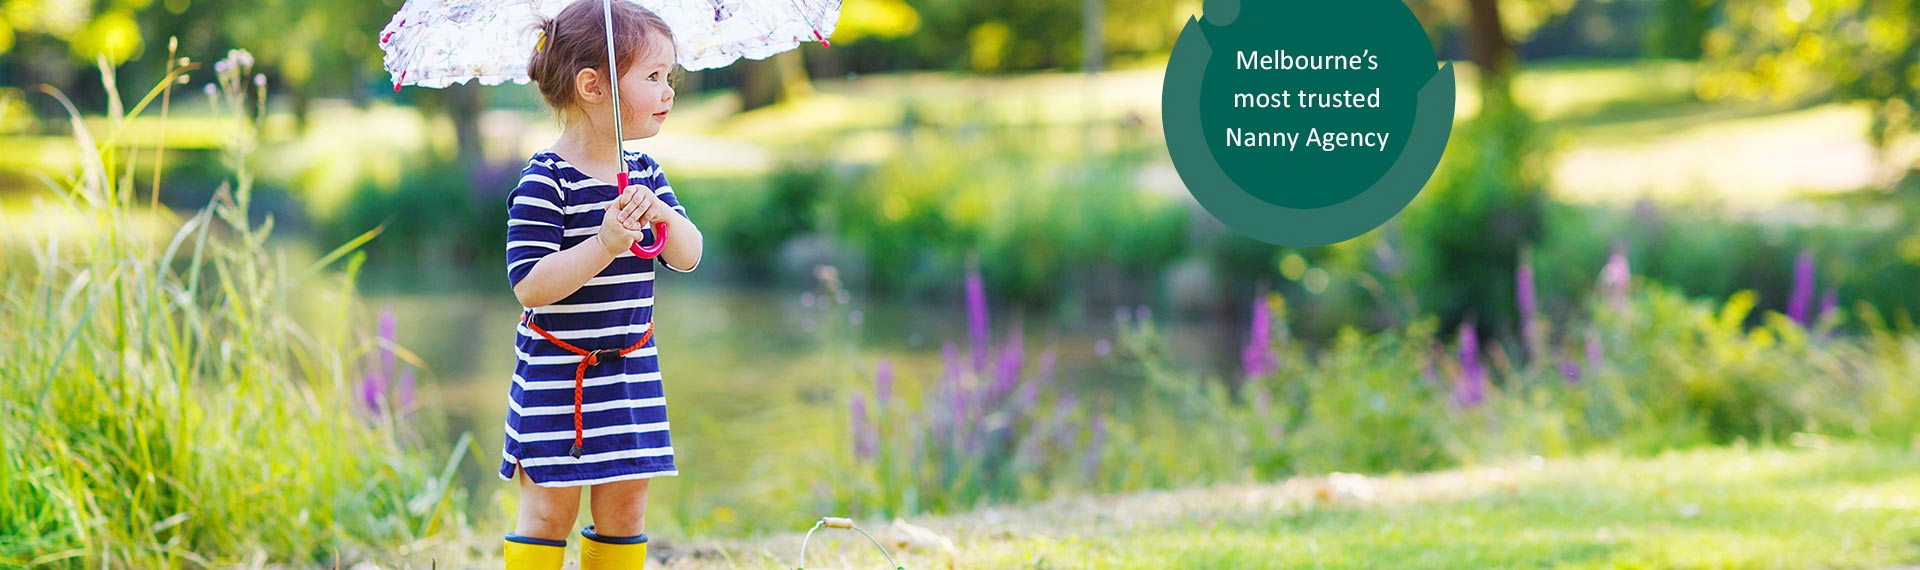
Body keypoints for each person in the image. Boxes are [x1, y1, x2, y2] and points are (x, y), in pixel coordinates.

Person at [498, 1, 701, 567]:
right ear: (593, 85)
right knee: (547, 514)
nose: (669, 92)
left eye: (669, 78)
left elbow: (689, 256)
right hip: (559, 375)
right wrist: (605, 243)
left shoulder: (646, 176)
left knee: (626, 510)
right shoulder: (545, 181)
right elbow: (530, 286)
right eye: (654, 77)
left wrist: (662, 215)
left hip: (630, 371)